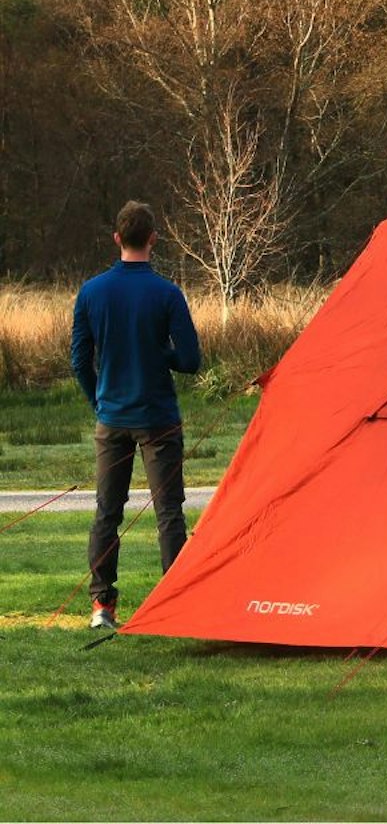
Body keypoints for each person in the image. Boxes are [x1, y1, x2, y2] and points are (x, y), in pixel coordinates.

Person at [71, 200, 202, 629]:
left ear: (117, 239)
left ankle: (102, 606)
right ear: (153, 239)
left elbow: (79, 360)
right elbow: (190, 360)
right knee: (169, 512)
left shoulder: (91, 292)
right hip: (158, 418)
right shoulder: (167, 294)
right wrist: (161, 352)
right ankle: (173, 606)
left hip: (112, 417)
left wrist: (98, 401)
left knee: (107, 512)